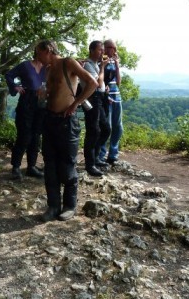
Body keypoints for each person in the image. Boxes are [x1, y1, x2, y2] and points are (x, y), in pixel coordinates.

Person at [35, 39, 97, 222]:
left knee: (67, 165)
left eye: (38, 53)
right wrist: (42, 96)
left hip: (67, 122)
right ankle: (53, 206)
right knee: (50, 166)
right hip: (50, 120)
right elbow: (49, 95)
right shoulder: (47, 70)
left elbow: (92, 82)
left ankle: (69, 206)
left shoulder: (68, 62)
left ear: (48, 50)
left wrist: (76, 103)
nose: (37, 57)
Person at [5, 51, 46, 180]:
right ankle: (16, 167)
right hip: (26, 102)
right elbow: (9, 75)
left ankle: (31, 167)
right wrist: (15, 86)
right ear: (40, 52)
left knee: (36, 136)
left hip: (41, 103)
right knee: (24, 135)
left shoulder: (47, 67)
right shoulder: (25, 65)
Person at [81, 40, 111, 177]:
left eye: (102, 50)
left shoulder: (95, 65)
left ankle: (96, 157)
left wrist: (106, 87)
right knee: (93, 131)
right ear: (91, 50)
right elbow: (97, 84)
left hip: (99, 99)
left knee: (105, 129)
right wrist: (103, 68)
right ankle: (90, 164)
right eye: (100, 50)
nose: (102, 53)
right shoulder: (87, 65)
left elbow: (101, 84)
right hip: (92, 99)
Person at [98, 39, 123, 165]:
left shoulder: (114, 61)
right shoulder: (100, 60)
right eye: (109, 47)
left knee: (118, 127)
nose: (112, 50)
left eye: (113, 48)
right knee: (107, 127)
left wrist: (117, 65)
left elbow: (118, 82)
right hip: (106, 98)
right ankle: (101, 154)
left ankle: (113, 154)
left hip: (116, 96)